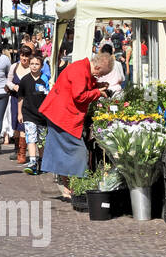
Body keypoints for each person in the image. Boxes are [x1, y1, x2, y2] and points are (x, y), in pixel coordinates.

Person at [39, 48, 113, 199]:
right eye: (102, 74)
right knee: (77, 151)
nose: (100, 76)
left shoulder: (82, 67)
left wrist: (97, 86)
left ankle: (68, 188)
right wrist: (98, 92)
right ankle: (76, 188)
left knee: (61, 151)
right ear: (97, 67)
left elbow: (83, 86)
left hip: (59, 114)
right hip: (62, 116)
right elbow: (79, 96)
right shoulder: (80, 70)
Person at [18, 53, 50, 174]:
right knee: (31, 137)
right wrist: (19, 113)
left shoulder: (45, 79)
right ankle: (32, 161)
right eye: (32, 64)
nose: (34, 66)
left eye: (37, 64)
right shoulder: (25, 80)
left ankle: (42, 161)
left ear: (41, 66)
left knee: (42, 140)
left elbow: (49, 96)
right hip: (28, 113)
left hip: (42, 115)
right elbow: (20, 97)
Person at [5, 43, 34, 165]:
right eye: (22, 55)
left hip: (27, 101)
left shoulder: (32, 68)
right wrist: (14, 86)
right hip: (15, 99)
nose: (24, 58)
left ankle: (22, 153)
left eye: (26, 56)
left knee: (23, 125)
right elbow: (8, 81)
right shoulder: (14, 67)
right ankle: (17, 149)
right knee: (15, 126)